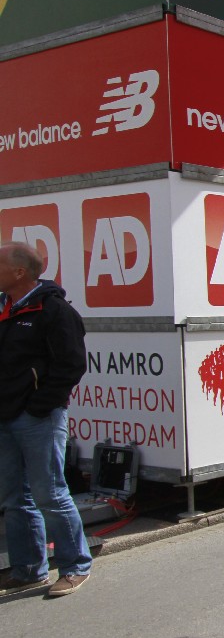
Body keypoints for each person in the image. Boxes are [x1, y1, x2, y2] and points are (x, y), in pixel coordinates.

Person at [0, 242, 92, 597]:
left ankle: (75, 567)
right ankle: (27, 570)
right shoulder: (4, 306)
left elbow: (72, 365)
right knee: (13, 498)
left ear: (19, 272)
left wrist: (38, 406)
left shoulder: (54, 310)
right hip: (5, 417)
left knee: (49, 494)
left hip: (38, 418)